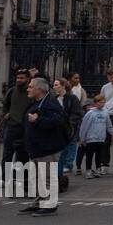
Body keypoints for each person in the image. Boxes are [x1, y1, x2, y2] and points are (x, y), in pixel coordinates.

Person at [23, 77, 68, 216]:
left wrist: (38, 120)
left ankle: (50, 204)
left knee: (48, 176)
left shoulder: (50, 103)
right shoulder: (36, 103)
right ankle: (40, 201)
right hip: (37, 147)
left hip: (48, 147)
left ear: (40, 89)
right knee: (37, 176)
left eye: (31, 87)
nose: (28, 89)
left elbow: (59, 121)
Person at [53, 78, 83, 185]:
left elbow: (77, 113)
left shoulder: (72, 98)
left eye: (56, 85)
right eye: (54, 85)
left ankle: (67, 166)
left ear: (63, 86)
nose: (54, 87)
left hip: (68, 129)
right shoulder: (54, 99)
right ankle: (58, 174)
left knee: (67, 148)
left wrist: (70, 124)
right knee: (58, 153)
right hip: (56, 129)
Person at [1, 69, 32, 165]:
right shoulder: (12, 91)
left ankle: (19, 178)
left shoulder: (31, 92)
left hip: (25, 128)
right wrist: (6, 113)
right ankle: (5, 178)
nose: (19, 80)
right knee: (7, 155)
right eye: (17, 78)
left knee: (22, 155)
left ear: (28, 79)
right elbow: (5, 105)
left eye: (22, 78)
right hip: (11, 127)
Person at [77, 95, 110, 178]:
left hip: (101, 138)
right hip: (91, 138)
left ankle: (98, 169)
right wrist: (82, 138)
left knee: (99, 155)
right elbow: (84, 126)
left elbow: (108, 125)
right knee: (89, 155)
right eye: (100, 102)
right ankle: (88, 170)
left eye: (103, 102)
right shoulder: (90, 113)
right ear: (95, 103)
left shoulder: (105, 112)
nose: (102, 104)